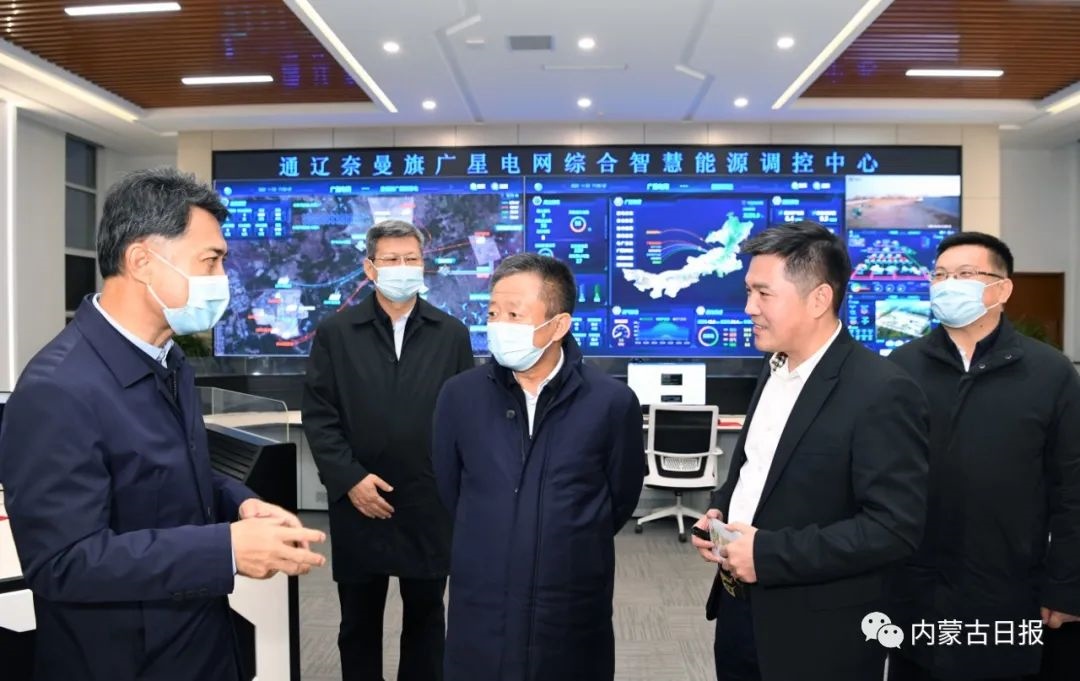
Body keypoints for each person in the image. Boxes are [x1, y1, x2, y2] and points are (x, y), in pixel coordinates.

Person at [0, 168, 326, 681]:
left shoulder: (167, 359)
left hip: (199, 642)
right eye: (210, 260)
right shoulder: (57, 389)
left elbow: (171, 473)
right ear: (141, 261)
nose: (223, 278)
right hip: (123, 662)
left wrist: (240, 503)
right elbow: (64, 562)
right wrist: (225, 549)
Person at [690, 220, 930, 681]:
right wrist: (721, 509)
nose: (748, 308)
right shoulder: (773, 369)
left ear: (819, 299)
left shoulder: (882, 390)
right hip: (739, 610)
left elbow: (893, 528)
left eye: (764, 294)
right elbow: (756, 470)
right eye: (748, 292)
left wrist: (768, 553)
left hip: (819, 632)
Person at [432, 253, 645, 680]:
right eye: (493, 313)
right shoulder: (459, 396)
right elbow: (450, 487)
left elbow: (618, 499)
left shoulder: (611, 402)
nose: (498, 325)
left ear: (558, 325)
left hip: (569, 604)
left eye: (514, 314)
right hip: (483, 601)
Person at [885, 232, 1080, 681]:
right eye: (940, 275)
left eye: (965, 274)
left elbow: (1072, 488)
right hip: (915, 586)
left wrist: (1067, 585)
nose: (948, 284)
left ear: (1002, 289)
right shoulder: (900, 368)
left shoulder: (1049, 373)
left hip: (1009, 586)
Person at [301, 219, 474, 681]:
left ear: (423, 264)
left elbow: (465, 417)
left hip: (428, 500)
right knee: (358, 622)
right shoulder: (336, 332)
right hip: (359, 500)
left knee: (427, 620)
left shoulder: (451, 333)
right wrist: (349, 479)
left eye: (411, 258)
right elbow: (320, 415)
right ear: (370, 268)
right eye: (391, 259)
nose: (402, 266)